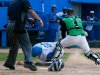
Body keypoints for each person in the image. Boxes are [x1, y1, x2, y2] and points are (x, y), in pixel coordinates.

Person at [4, 0, 43, 71]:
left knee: (14, 46)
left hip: (10, 25)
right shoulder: (24, 1)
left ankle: (9, 63)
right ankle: (28, 62)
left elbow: (10, 16)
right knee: (27, 44)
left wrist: (24, 23)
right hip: (18, 25)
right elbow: (31, 11)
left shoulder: (12, 2)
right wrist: (39, 19)